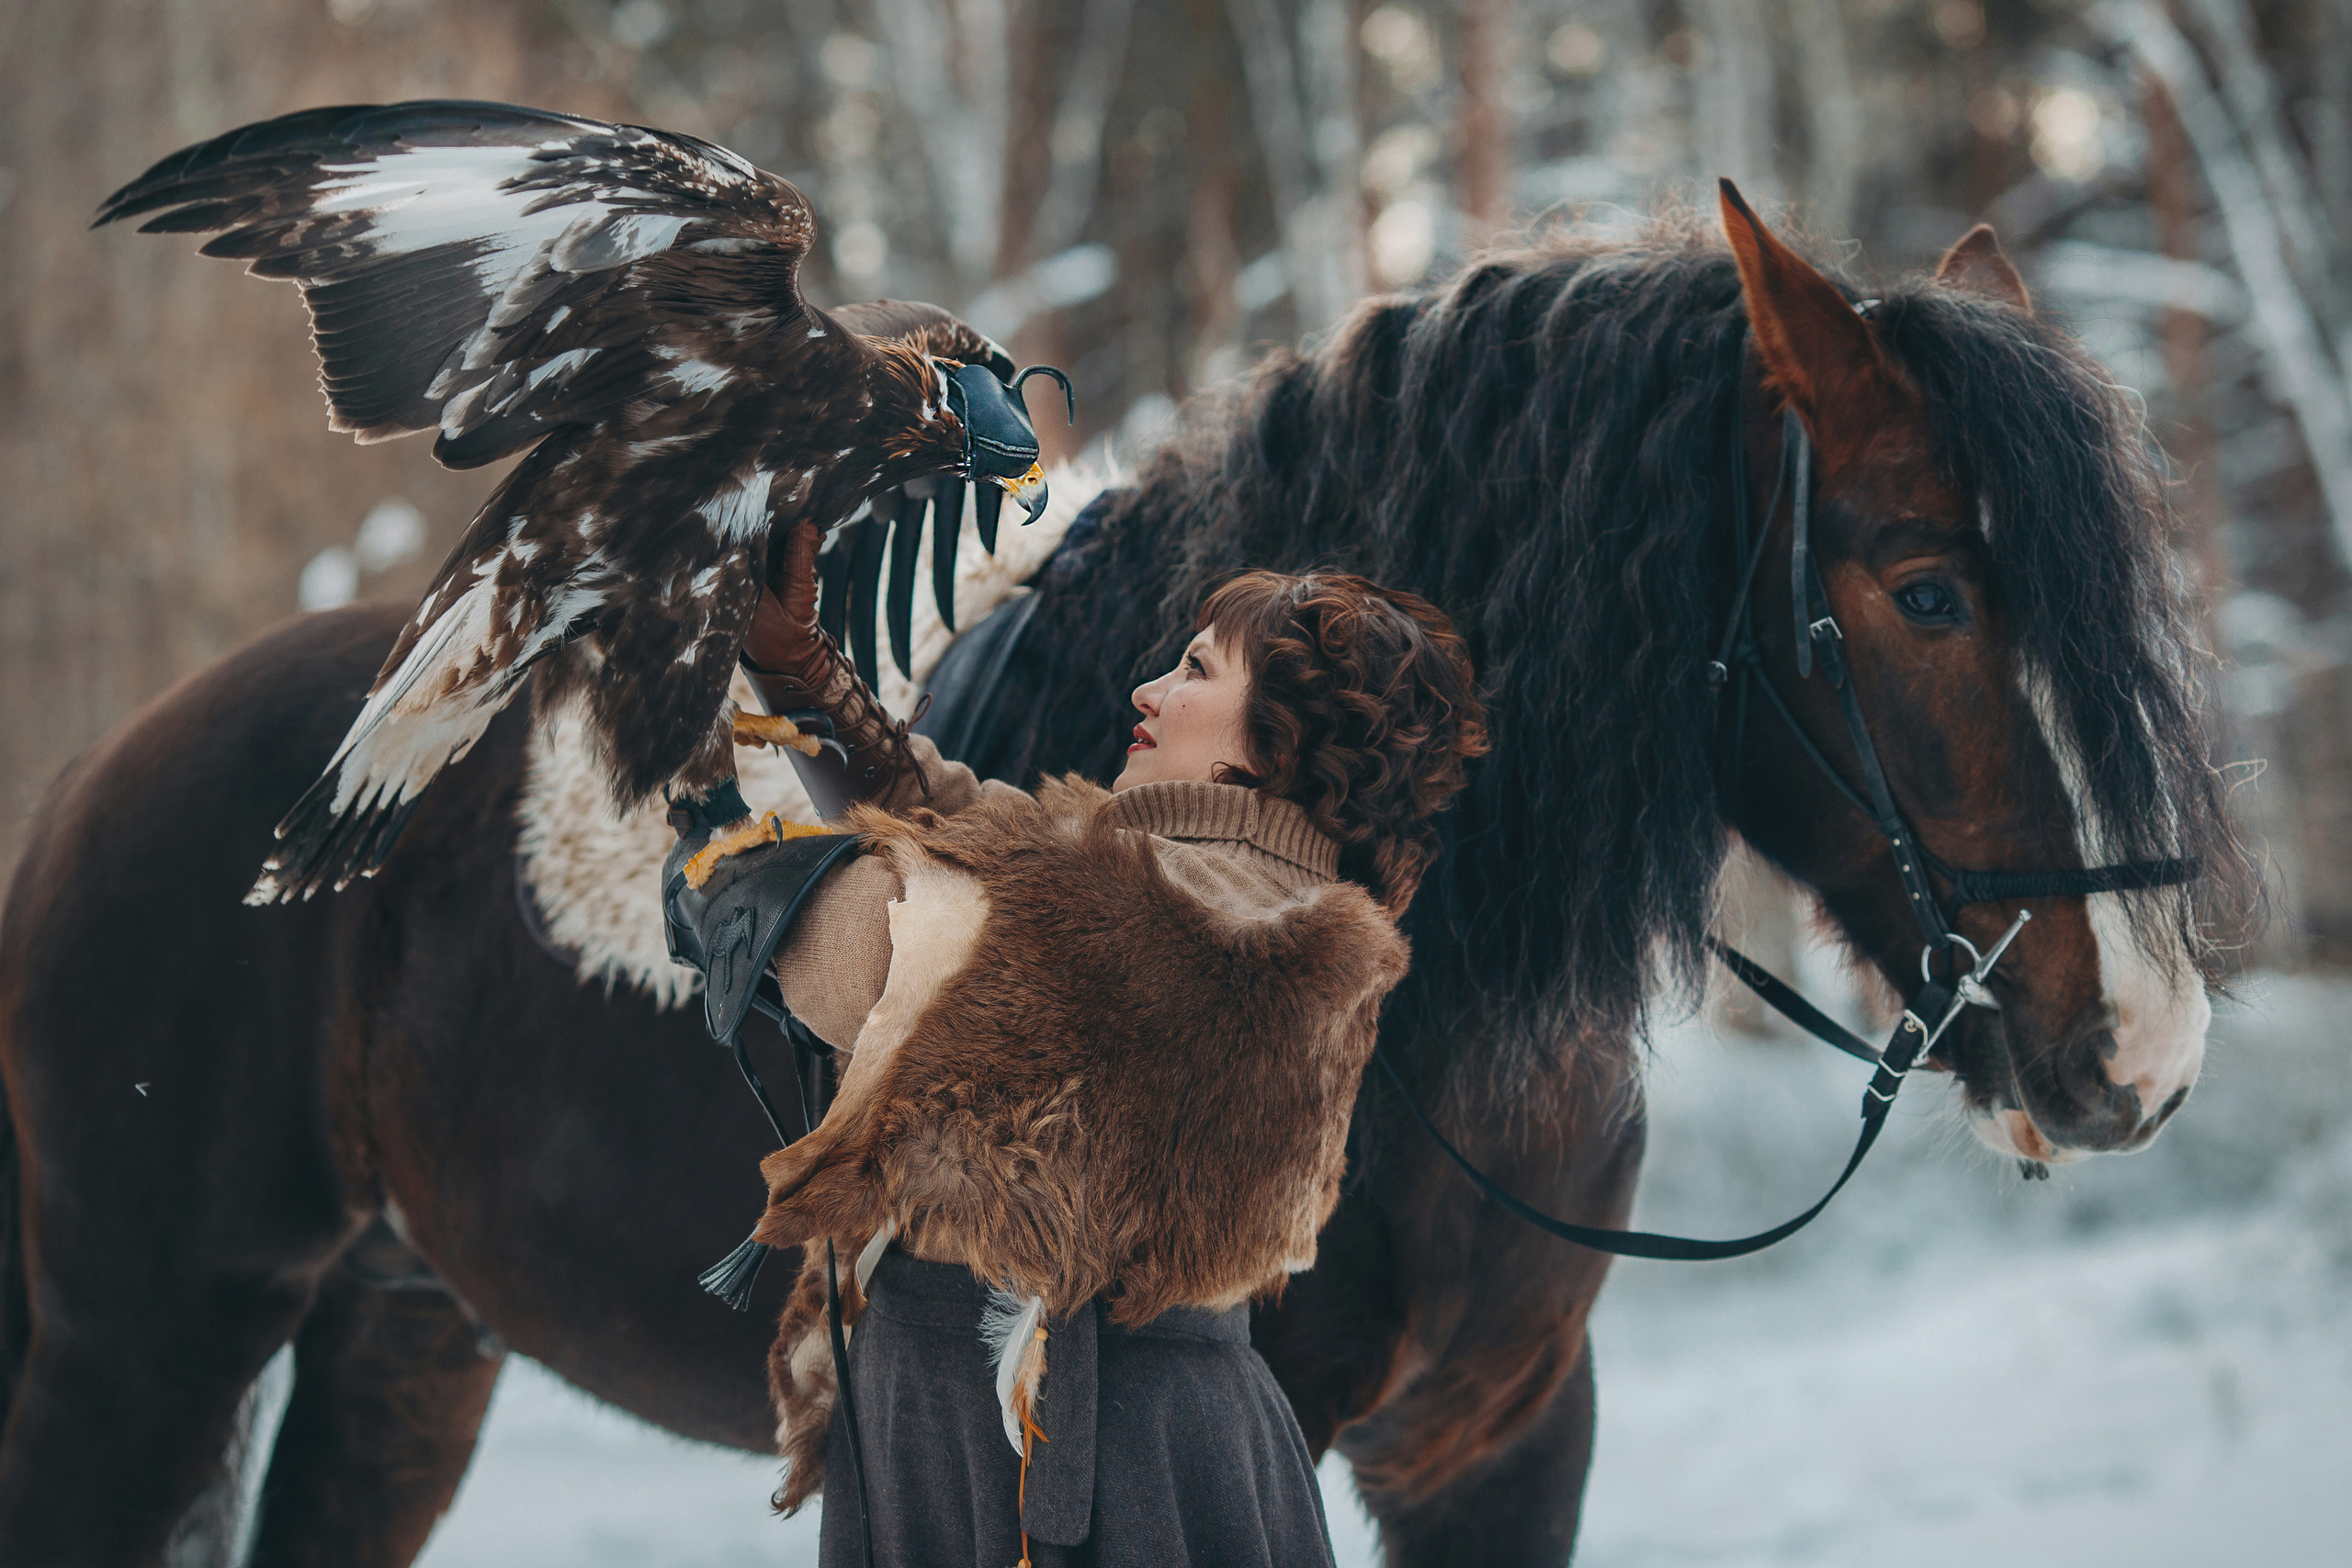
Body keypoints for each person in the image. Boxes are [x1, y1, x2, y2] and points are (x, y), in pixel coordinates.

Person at [664, 519, 1488, 1567]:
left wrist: (728, 861)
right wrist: (803, 674)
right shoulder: (1184, 886)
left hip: (1102, 1463)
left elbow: (904, 955)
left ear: (1267, 744)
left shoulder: (1240, 928)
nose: (1147, 692)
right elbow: (961, 829)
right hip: (988, 1423)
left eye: (1193, 669)